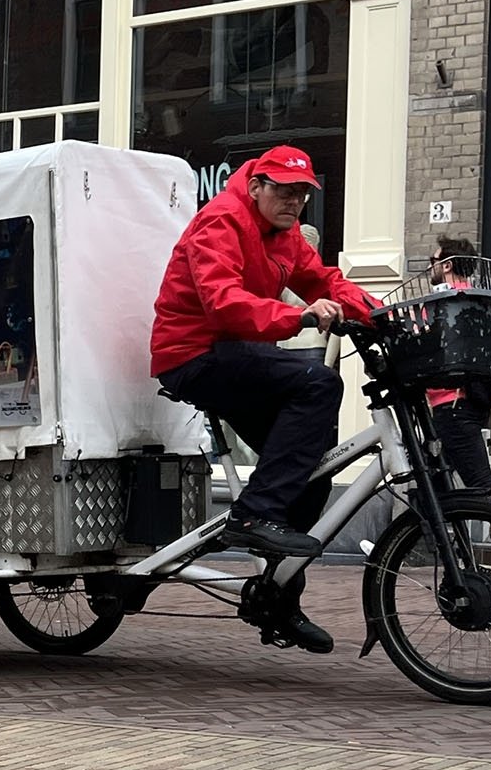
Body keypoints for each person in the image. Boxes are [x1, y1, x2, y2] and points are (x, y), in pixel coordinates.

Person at [150, 145, 378, 654]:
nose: (295, 201)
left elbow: (323, 279)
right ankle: (252, 516)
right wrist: (297, 317)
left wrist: (380, 314)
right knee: (318, 382)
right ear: (256, 186)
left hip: (240, 353)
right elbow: (225, 305)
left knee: (311, 477)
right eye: (285, 190)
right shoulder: (221, 223)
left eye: (303, 193)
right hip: (193, 353)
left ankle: (275, 599)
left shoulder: (287, 235)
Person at [426, 238, 491, 572]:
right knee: (432, 480)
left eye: (434, 258)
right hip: (466, 404)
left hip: (452, 406)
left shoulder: (449, 302)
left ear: (447, 264)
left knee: (479, 485)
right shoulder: (477, 299)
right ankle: (418, 548)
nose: (430, 264)